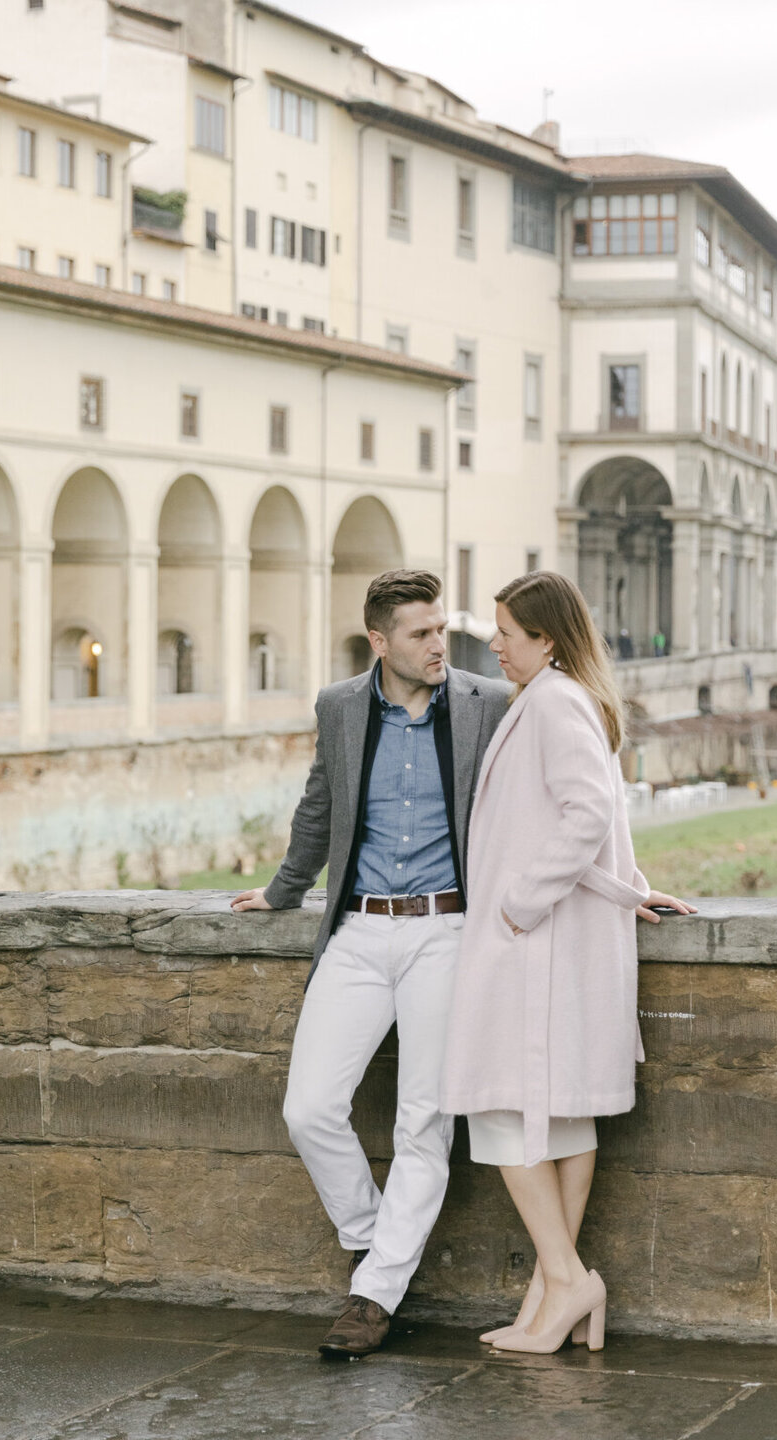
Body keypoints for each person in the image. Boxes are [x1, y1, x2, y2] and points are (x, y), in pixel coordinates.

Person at [231, 569, 511, 1358]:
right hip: (357, 930)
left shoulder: (486, 705)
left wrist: (618, 885)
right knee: (308, 1107)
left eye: (441, 629)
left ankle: (374, 1295)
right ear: (379, 642)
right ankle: (374, 1244)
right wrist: (285, 890)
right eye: (421, 633)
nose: (440, 645)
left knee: (424, 1122)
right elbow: (321, 807)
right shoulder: (341, 706)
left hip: (446, 933)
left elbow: (542, 805)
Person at [443, 571, 696, 1353]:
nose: (494, 645)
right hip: (556, 940)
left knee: (498, 1106)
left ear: (545, 639)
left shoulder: (553, 702)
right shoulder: (562, 699)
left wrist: (521, 900)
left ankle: (569, 1282)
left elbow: (587, 811)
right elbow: (597, 813)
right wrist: (633, 887)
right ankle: (550, 1295)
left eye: (508, 633)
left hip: (534, 943)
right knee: (562, 1112)